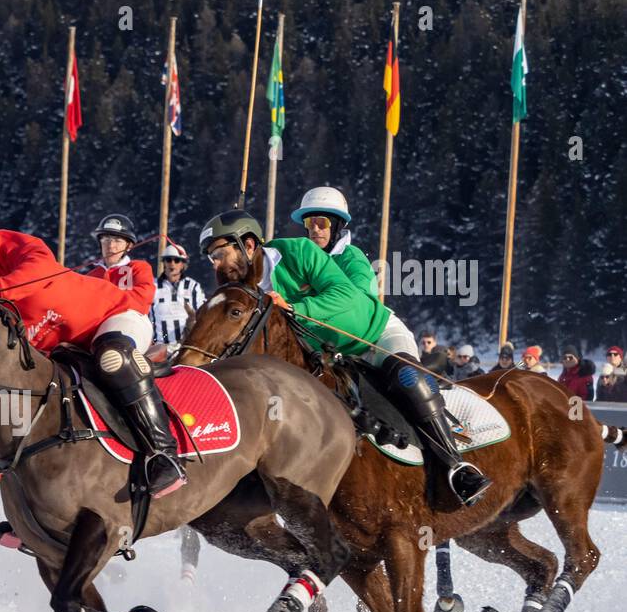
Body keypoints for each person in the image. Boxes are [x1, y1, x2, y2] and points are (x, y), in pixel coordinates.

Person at [199, 209, 491, 506]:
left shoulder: (297, 251)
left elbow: (347, 296)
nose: (217, 264)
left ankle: (456, 466)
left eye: (220, 253)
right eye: (212, 257)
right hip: (327, 354)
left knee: (408, 377)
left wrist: (295, 308)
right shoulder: (239, 290)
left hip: (372, 335)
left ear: (248, 245)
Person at [0, 221, 184, 499]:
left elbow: (39, 266)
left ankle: (164, 455)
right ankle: (31, 511)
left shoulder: (1, 245)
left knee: (112, 359)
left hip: (115, 318)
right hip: (68, 352)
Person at [291, 186, 377, 298]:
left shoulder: (352, 259)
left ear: (337, 226)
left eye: (322, 223)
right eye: (310, 223)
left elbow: (361, 302)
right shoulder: (300, 260)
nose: (315, 229)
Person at [150, 242, 204, 347]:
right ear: (164, 263)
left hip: (186, 347)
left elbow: (202, 315)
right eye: (168, 260)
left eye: (177, 260)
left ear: (183, 264)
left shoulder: (193, 286)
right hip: (159, 348)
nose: (172, 264)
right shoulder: (152, 285)